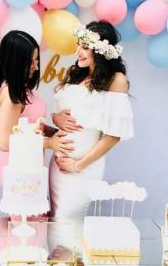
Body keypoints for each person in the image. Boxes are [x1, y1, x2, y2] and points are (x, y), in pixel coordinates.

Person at [49, 21, 134, 219]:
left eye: (85, 47)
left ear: (101, 50)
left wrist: (78, 166)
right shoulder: (76, 75)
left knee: (69, 222)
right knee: (56, 223)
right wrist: (57, 118)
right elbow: (59, 113)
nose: (79, 51)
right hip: (58, 164)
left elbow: (113, 135)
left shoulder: (116, 80)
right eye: (79, 44)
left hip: (82, 168)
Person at [0, 30, 73, 186]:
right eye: (31, 61)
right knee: (28, 211)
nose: (36, 67)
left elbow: (29, 125)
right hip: (18, 168)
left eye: (37, 60)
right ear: (15, 62)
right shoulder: (11, 95)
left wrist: (56, 131)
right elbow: (5, 143)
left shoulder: (21, 87)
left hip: (31, 163)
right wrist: (48, 143)